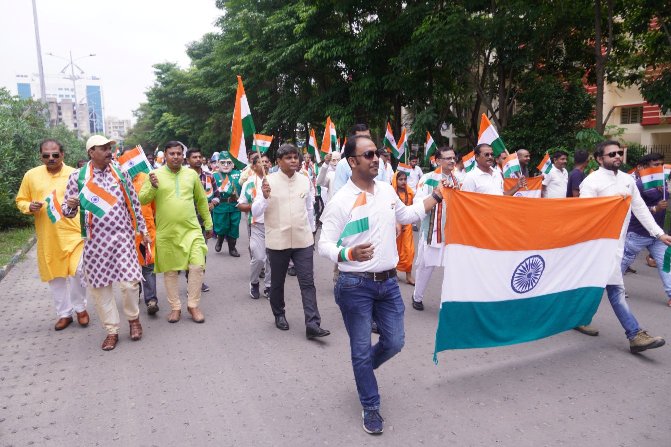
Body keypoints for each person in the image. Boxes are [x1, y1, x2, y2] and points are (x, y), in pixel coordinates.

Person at [318, 135, 446, 435]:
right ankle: (371, 405)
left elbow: (410, 214)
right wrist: (346, 253)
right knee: (361, 350)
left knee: (395, 342)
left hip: (388, 285)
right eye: (369, 154)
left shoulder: (387, 191)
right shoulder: (341, 201)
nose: (376, 158)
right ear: (352, 162)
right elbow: (323, 243)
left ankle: (363, 370)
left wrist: (436, 197)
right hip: (354, 285)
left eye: (377, 153)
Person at [580, 140, 670, 353]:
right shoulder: (591, 182)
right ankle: (635, 334)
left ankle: (578, 317)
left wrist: (659, 233)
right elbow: (584, 214)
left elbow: (640, 209)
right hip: (597, 246)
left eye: (619, 153)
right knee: (615, 289)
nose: (617, 157)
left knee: (595, 287)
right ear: (599, 159)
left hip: (617, 245)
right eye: (612, 154)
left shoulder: (628, 180)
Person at [62, 135, 149, 351]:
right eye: (104, 148)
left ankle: (133, 319)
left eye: (109, 148)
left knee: (130, 284)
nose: (109, 152)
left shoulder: (121, 173)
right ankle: (112, 331)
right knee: (101, 289)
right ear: (91, 152)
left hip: (123, 238)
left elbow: (135, 204)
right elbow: (66, 210)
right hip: (95, 242)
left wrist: (143, 230)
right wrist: (72, 205)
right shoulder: (78, 177)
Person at [252, 144, 329, 339]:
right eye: (288, 158)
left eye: (295, 157)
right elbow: (255, 212)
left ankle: (312, 323)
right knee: (277, 282)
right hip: (278, 241)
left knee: (307, 282)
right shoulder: (267, 181)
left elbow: (310, 208)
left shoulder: (304, 181)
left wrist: (312, 231)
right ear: (278, 161)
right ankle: (279, 314)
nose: (293, 160)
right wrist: (264, 197)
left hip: (303, 239)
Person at [15, 139, 89, 331]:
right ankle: (64, 314)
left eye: (55, 155)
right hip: (48, 236)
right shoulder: (31, 176)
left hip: (73, 234)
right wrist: (28, 206)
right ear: (41, 156)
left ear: (62, 155)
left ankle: (80, 308)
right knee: (55, 276)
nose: (51, 158)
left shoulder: (75, 174)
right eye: (46, 155)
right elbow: (21, 199)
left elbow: (87, 199)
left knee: (78, 271)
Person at [140, 142, 213, 324]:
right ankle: (175, 307)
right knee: (170, 272)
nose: (176, 156)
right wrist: (152, 186)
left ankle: (193, 305)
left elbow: (201, 200)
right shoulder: (154, 175)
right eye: (172, 153)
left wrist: (208, 223)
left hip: (191, 230)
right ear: (165, 155)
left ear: (183, 156)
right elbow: (143, 199)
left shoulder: (191, 175)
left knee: (197, 266)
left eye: (179, 153)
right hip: (167, 232)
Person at [411, 146, 460, 311]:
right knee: (426, 266)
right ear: (438, 161)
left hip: (452, 231)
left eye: (453, 158)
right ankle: (417, 296)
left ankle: (445, 303)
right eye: (448, 158)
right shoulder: (428, 178)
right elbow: (418, 203)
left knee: (452, 268)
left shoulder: (458, 179)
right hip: (432, 230)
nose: (452, 161)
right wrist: (437, 193)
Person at [620, 152, 671, 307]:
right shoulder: (638, 185)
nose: (659, 167)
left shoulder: (664, 183)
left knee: (666, 264)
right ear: (644, 167)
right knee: (622, 263)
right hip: (637, 233)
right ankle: (613, 286)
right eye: (655, 164)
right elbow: (631, 208)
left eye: (661, 164)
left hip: (658, 235)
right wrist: (655, 208)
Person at [237, 152, 271, 299]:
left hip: (275, 226)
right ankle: (254, 282)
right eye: (261, 162)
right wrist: (256, 205)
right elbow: (240, 205)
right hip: (257, 225)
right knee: (258, 257)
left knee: (272, 259)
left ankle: (269, 286)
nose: (264, 164)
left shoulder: (276, 181)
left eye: (267, 161)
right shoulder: (249, 183)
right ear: (253, 166)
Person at [186, 147, 218, 292]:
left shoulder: (209, 176)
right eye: (194, 157)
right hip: (186, 220)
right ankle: (190, 282)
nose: (198, 159)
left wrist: (213, 203)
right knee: (187, 253)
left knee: (201, 251)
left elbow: (218, 195)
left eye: (199, 157)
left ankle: (199, 280)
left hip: (204, 221)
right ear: (188, 160)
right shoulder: (183, 176)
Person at [130, 165, 159, 315]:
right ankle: (135, 294)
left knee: (148, 264)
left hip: (147, 231)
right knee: (132, 267)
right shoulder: (118, 180)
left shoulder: (147, 177)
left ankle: (151, 300)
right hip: (127, 232)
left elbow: (154, 204)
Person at [212, 151, 242, 257]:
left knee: (234, 227)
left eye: (229, 163)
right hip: (221, 206)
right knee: (221, 226)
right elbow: (209, 191)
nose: (226, 165)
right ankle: (220, 240)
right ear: (218, 163)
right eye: (223, 162)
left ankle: (232, 248)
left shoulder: (239, 174)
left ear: (233, 164)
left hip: (234, 205)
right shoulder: (214, 176)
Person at [393, 171, 415, 285]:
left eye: (405, 179)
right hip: (394, 226)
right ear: (395, 180)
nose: (403, 182)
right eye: (400, 179)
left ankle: (409, 276)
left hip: (407, 225)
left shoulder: (410, 193)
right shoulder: (391, 193)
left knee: (409, 250)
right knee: (394, 250)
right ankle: (393, 272)